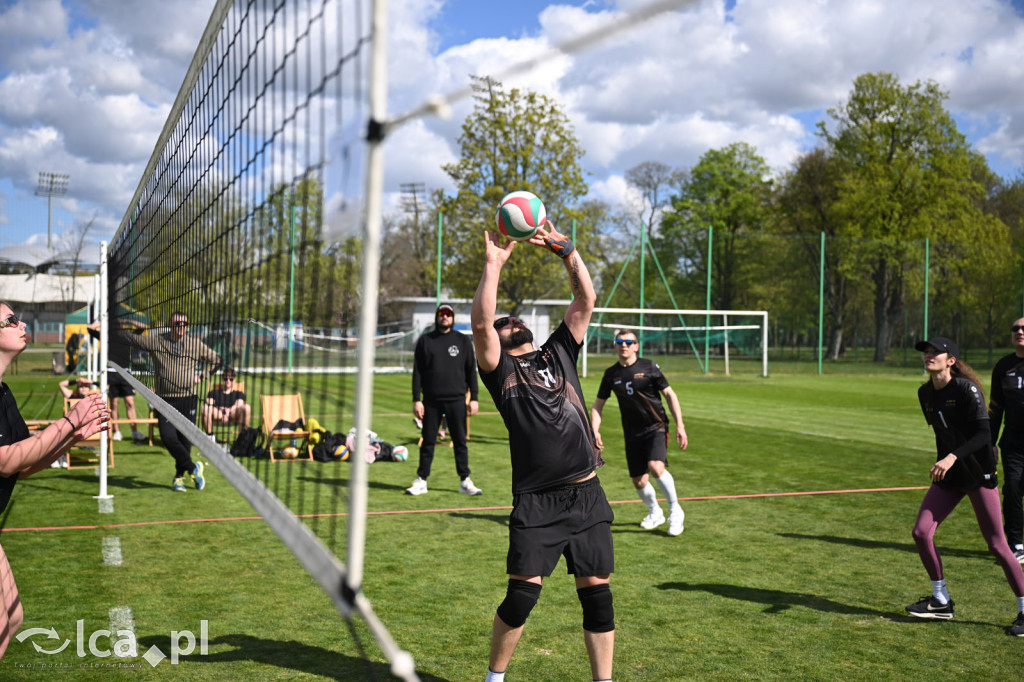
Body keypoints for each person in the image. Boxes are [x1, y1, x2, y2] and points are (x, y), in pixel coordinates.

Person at [472, 225, 615, 682]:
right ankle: (495, 679)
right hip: (537, 501)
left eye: (511, 318)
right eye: (503, 322)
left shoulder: (559, 351)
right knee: (521, 598)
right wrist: (493, 266)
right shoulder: (500, 370)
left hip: (587, 495)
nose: (508, 320)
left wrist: (567, 252)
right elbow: (480, 322)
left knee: (598, 598)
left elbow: (586, 301)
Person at [0, 301, 110, 658]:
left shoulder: (4, 393)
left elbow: (22, 464)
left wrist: (72, 439)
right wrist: (68, 420)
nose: (20, 324)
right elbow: (5, 461)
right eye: (10, 320)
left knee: (11, 618)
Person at [906, 336, 1024, 636]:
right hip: (950, 476)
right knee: (921, 532)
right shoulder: (925, 393)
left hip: (978, 473)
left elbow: (984, 435)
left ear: (951, 360)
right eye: (926, 352)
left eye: (936, 352)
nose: (928, 356)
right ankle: (941, 601)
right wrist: (942, 462)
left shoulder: (965, 389)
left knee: (998, 545)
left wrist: (951, 457)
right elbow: (942, 435)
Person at [591, 328, 688, 536]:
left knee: (655, 467)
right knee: (639, 481)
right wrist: (594, 430)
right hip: (632, 432)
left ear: (636, 346)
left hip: (656, 426)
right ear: (615, 345)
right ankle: (655, 512)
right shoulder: (611, 374)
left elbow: (670, 394)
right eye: (620, 341)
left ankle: (675, 510)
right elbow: (597, 405)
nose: (624, 345)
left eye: (628, 341)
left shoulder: (649, 367)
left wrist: (680, 424)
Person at [113, 311, 220, 492]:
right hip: (164, 400)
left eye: (184, 324)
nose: (181, 327)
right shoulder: (157, 341)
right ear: (170, 325)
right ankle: (194, 468)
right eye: (177, 324)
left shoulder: (194, 344)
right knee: (168, 438)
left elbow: (217, 360)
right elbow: (132, 339)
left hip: (188, 399)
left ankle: (179, 478)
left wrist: (202, 376)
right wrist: (112, 329)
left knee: (185, 441)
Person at [407, 303, 481, 496]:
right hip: (431, 401)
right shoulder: (425, 341)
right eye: (442, 314)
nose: (445, 317)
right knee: (428, 441)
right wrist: (417, 399)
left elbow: (471, 371)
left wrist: (474, 397)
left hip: (457, 400)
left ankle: (465, 480)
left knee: (460, 442)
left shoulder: (463, 341)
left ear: (452, 317)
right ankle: (421, 480)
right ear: (437, 317)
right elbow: (418, 373)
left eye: (448, 314)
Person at [988, 317, 1024, 564]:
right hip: (1013, 442)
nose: (1019, 332)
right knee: (1012, 488)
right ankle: (1017, 544)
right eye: (1015, 329)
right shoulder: (1003, 366)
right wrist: (989, 443)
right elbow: (995, 408)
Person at [88, 320, 147, 442]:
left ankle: (134, 432)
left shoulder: (127, 337)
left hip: (125, 374)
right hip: (111, 373)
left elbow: (143, 326)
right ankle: (117, 432)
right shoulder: (106, 337)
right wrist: (104, 319)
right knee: (113, 403)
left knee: (130, 402)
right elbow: (90, 328)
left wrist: (127, 320)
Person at [201, 368, 250, 440]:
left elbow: (239, 404)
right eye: (225, 379)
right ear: (222, 379)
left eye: (231, 379)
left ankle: (241, 439)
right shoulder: (214, 392)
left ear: (234, 380)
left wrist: (228, 411)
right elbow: (209, 403)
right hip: (218, 414)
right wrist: (221, 410)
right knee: (205, 408)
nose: (228, 381)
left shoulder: (239, 393)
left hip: (233, 414)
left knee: (247, 407)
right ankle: (210, 437)